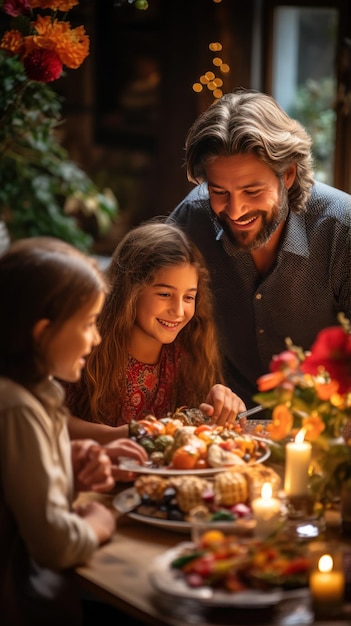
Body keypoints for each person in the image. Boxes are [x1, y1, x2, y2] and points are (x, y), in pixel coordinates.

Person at [167, 88, 351, 408]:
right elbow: (131, 311)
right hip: (220, 430)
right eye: (219, 191)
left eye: (252, 191)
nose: (235, 210)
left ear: (288, 174)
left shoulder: (342, 231)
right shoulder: (191, 220)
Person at [0, 237, 145, 625]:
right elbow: (54, 544)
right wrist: (99, 522)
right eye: (87, 324)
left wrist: (66, 467)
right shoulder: (15, 406)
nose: (96, 338)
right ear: (41, 332)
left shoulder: (36, 391)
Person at [66, 221, 246, 444]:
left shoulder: (188, 354)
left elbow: (191, 436)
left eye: (189, 297)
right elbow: (51, 418)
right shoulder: (87, 344)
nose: (178, 311)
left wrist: (216, 406)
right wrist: (121, 435)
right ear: (130, 291)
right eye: (164, 294)